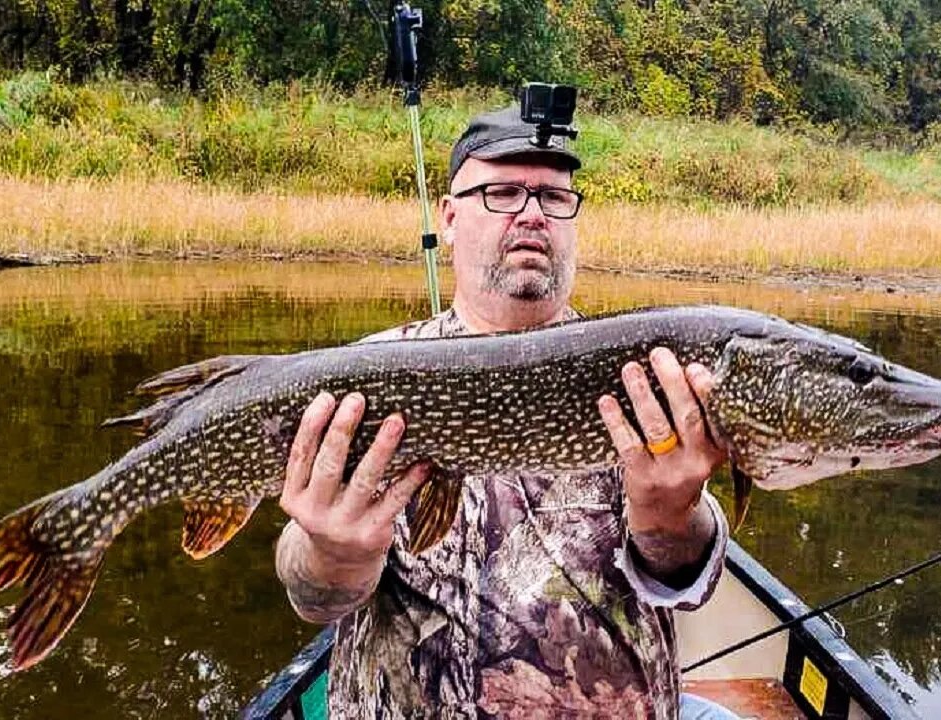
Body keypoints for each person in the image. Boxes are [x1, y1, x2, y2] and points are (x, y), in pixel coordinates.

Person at [274, 106, 736, 719]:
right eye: (503, 192)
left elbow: (688, 580)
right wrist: (333, 556)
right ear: (449, 214)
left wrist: (672, 521)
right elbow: (308, 591)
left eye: (552, 196)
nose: (533, 213)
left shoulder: (646, 375)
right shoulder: (368, 374)